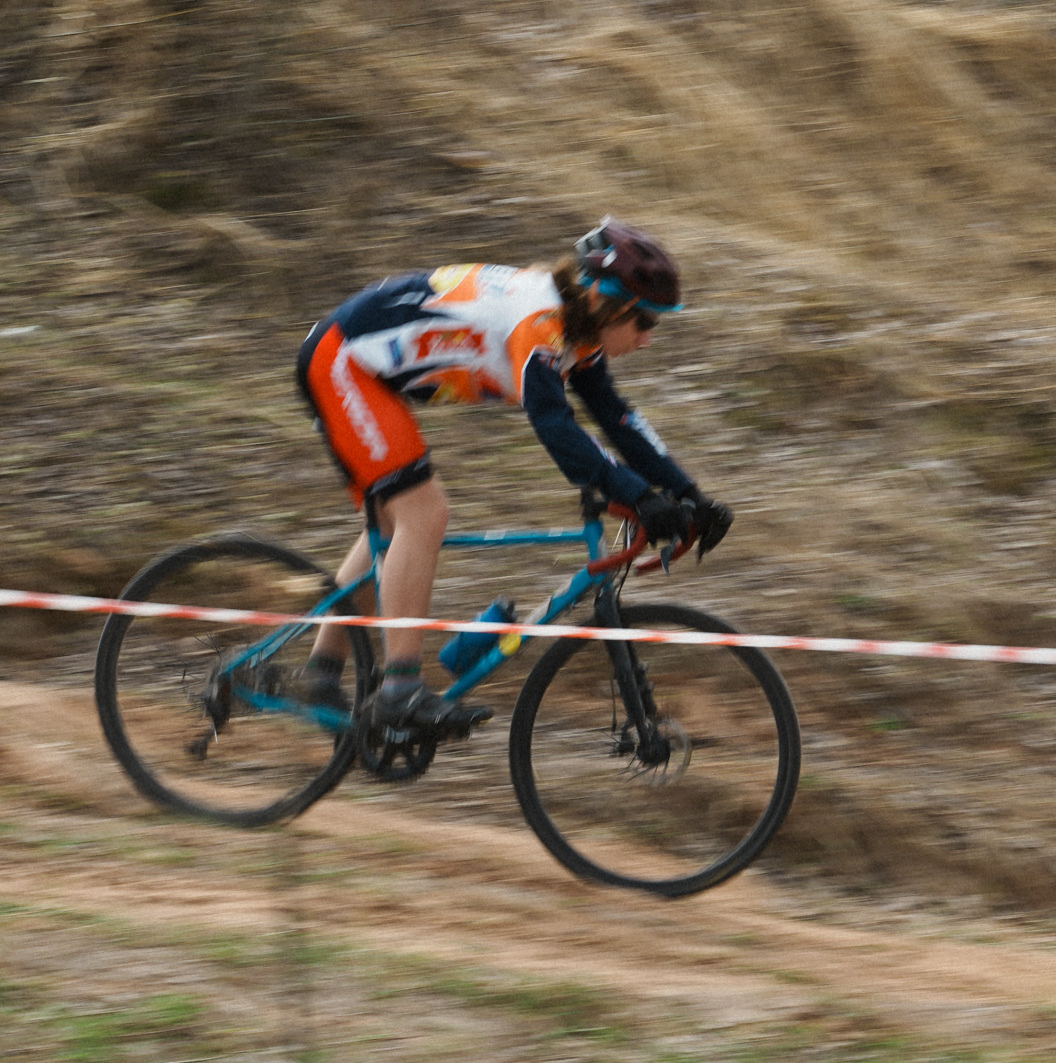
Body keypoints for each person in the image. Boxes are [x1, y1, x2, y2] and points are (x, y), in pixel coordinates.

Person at [292, 218, 733, 733]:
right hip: (341, 363)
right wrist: (638, 496)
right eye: (643, 323)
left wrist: (688, 494)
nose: (648, 339)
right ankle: (399, 690)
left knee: (394, 527)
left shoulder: (579, 329)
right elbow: (557, 428)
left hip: (366, 368)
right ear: (602, 302)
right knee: (423, 512)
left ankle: (320, 674)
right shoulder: (540, 325)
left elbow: (618, 420)